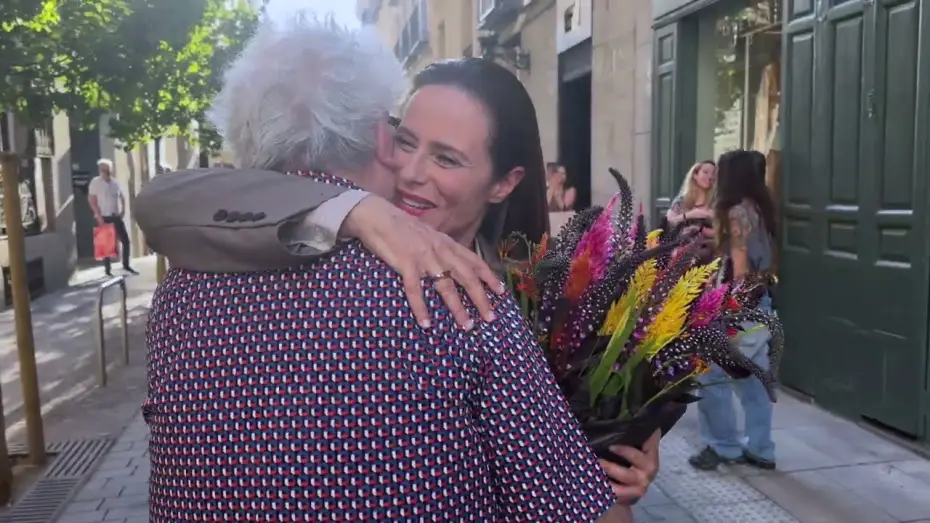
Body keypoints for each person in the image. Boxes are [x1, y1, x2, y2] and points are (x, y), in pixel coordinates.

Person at [137, 15, 649, 521]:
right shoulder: (455, 302)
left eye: (446, 158)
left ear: (504, 182)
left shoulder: (180, 292)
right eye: (405, 141)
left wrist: (619, 438)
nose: (411, 171)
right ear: (382, 138)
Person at [689, 149, 778, 472]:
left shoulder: (736, 212)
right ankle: (762, 448)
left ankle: (722, 446)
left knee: (710, 375)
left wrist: (722, 305)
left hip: (736, 305)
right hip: (761, 301)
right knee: (756, 380)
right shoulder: (762, 209)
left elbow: (738, 269)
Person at [87, 158, 137, 275]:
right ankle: (108, 270)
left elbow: (121, 196)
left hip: (115, 215)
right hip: (103, 216)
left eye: (108, 169)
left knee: (125, 241)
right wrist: (98, 215)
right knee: (106, 244)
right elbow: (92, 200)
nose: (106, 171)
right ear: (100, 169)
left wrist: (123, 209)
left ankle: (126, 265)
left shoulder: (115, 182)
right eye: (104, 169)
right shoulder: (95, 182)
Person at [665, 160, 716, 228]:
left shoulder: (716, 201)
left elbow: (726, 230)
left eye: (713, 173)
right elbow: (669, 222)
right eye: (705, 172)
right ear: (695, 175)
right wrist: (690, 215)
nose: (710, 176)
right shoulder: (681, 201)